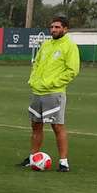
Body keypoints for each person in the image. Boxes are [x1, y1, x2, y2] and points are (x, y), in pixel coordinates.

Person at [20, 16, 81, 172]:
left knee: (57, 126)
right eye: (52, 27)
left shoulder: (70, 46)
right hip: (37, 91)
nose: (53, 30)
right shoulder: (46, 44)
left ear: (65, 29)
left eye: (57, 27)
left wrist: (52, 83)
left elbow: (72, 70)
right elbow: (37, 63)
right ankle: (33, 157)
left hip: (54, 93)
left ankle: (63, 162)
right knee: (36, 125)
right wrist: (33, 80)